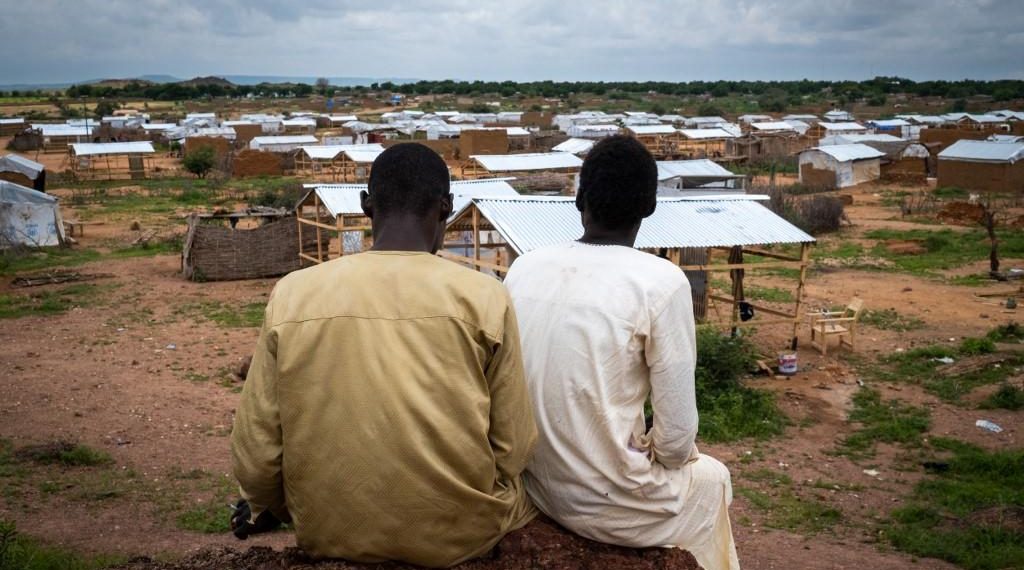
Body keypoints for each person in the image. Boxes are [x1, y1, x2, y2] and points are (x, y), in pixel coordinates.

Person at [230, 143, 537, 568]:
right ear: (446, 208)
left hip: (326, 531)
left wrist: (275, 507)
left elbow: (256, 450)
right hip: (459, 536)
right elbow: (514, 445)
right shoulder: (484, 295)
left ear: (365, 205)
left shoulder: (294, 293)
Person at [503, 135, 739, 570]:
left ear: (579, 198)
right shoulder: (661, 283)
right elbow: (674, 441)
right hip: (603, 503)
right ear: (649, 206)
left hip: (532, 482)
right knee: (714, 479)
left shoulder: (524, 267)